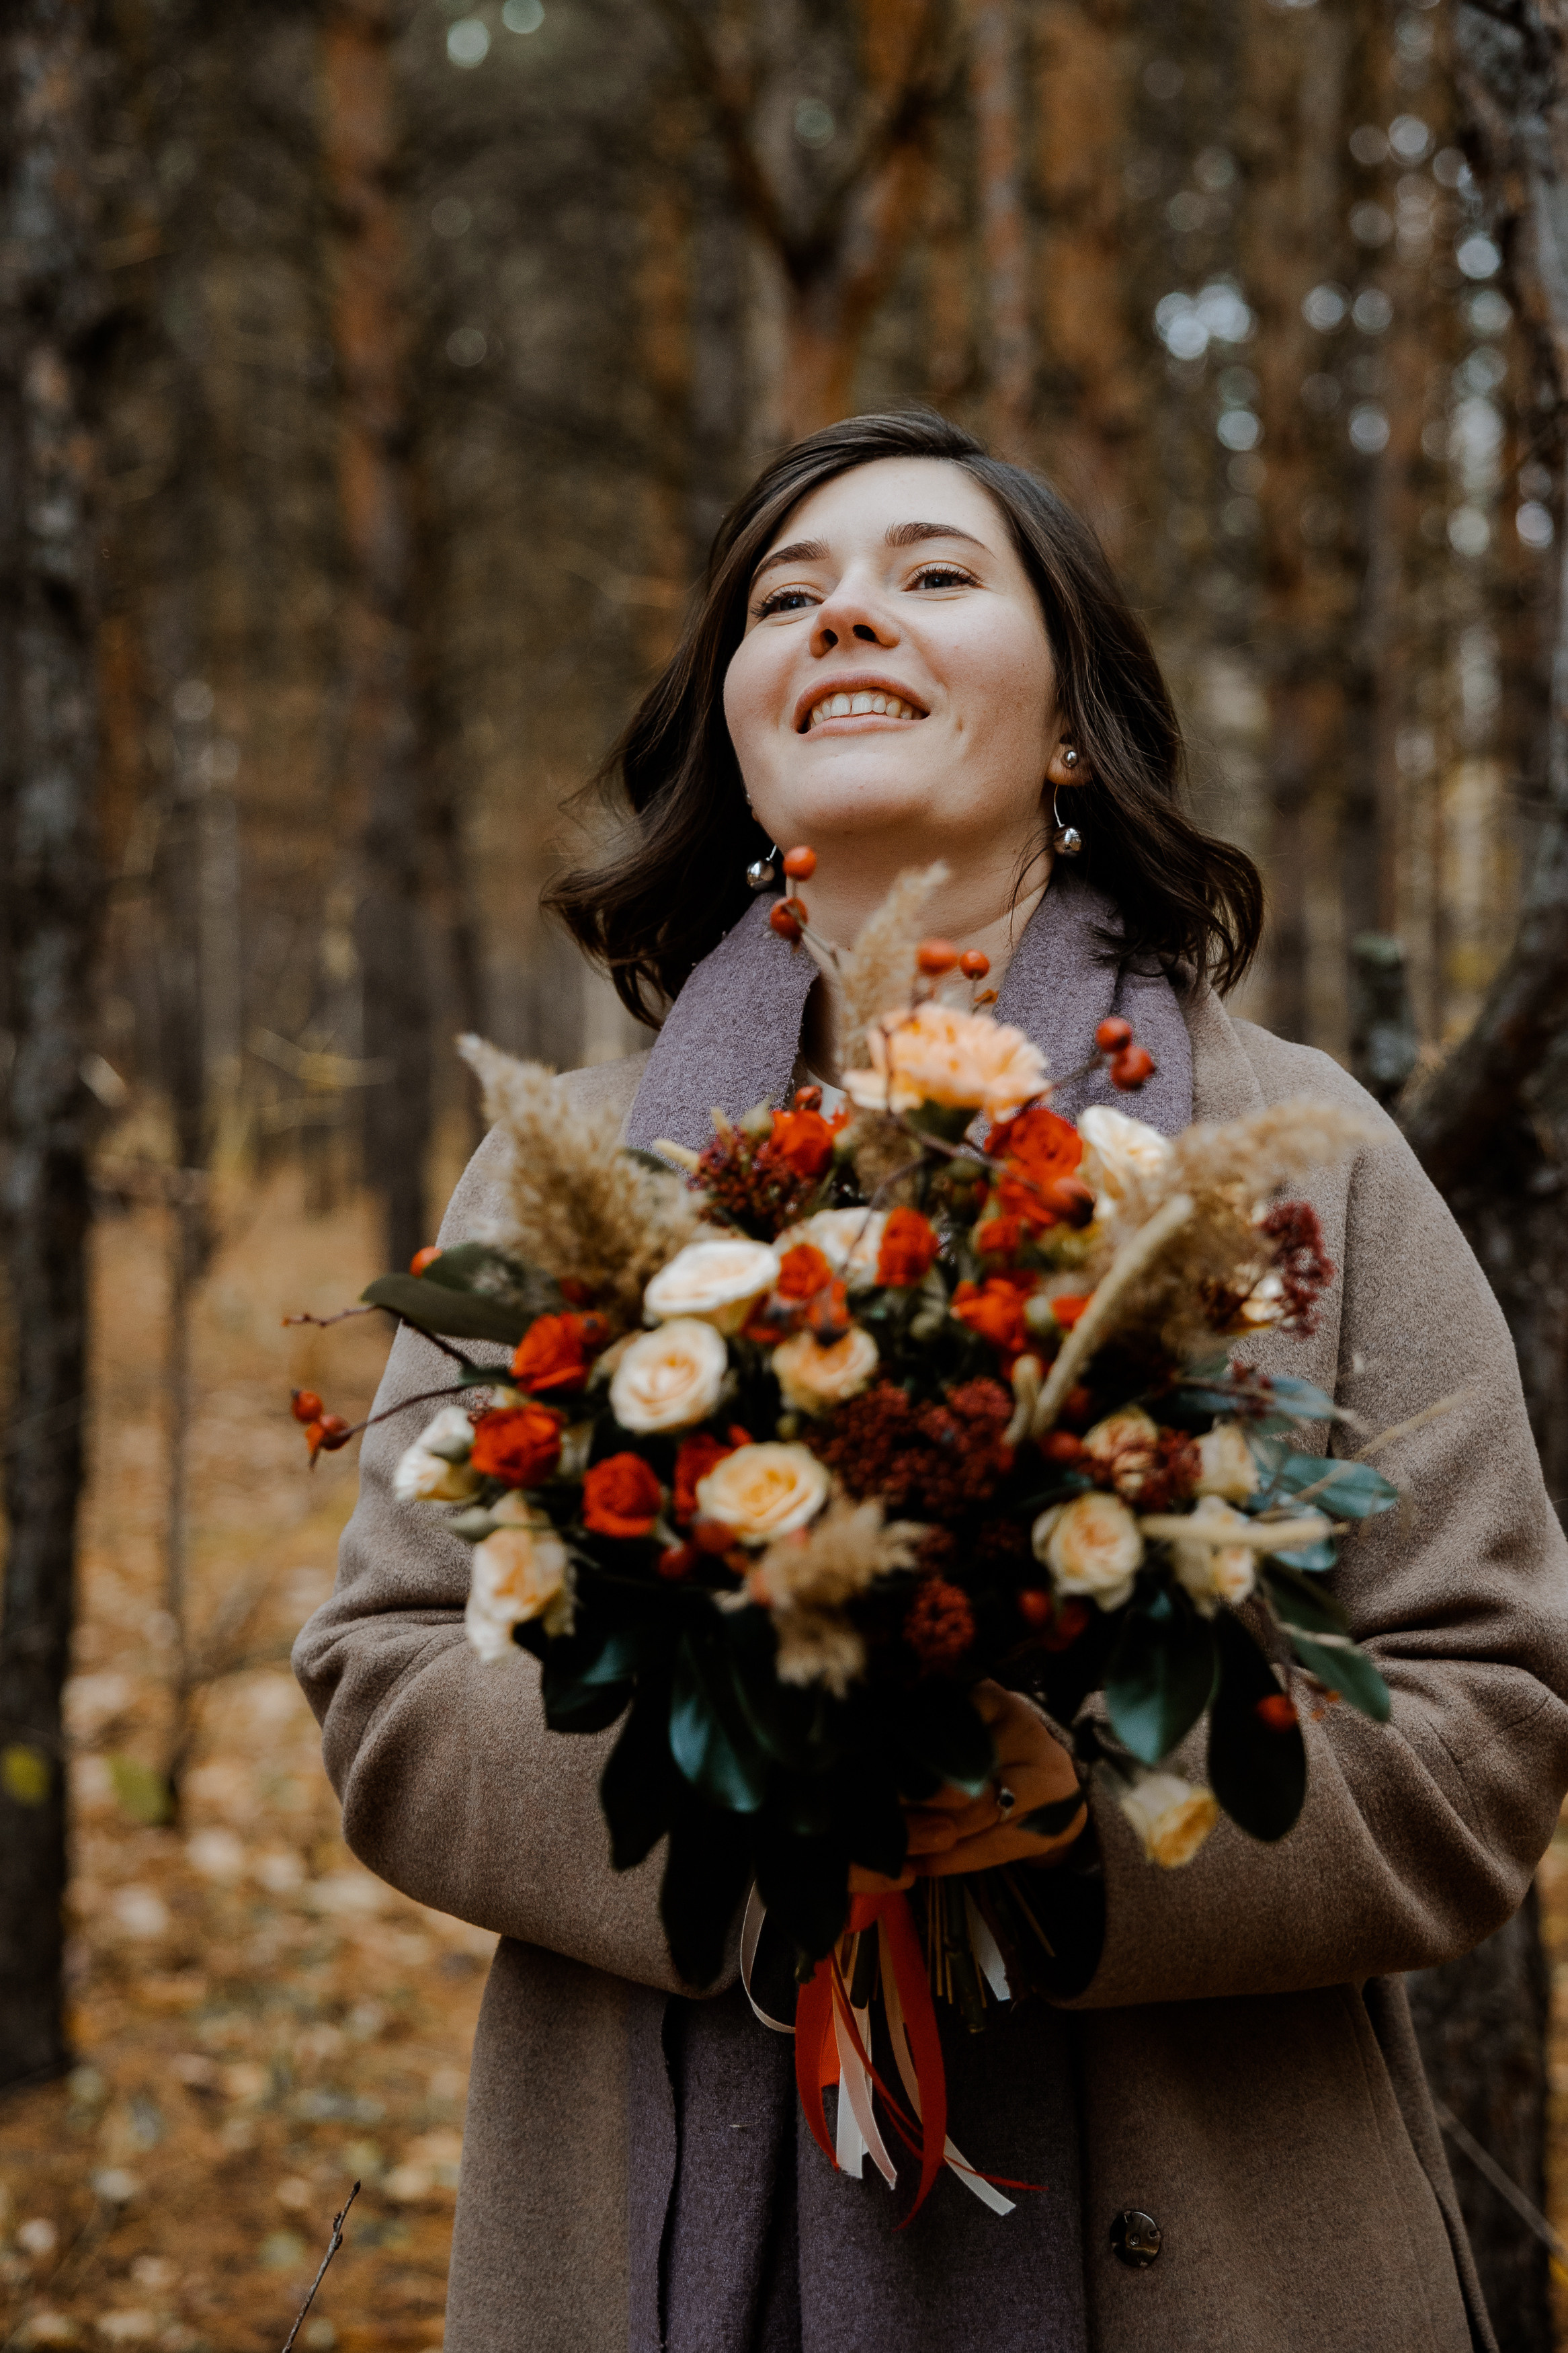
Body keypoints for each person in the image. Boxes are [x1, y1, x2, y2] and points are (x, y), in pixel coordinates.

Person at [294, 410, 1568, 2353]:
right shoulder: (560, 1167)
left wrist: (1090, 1829)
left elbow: (1489, 1711)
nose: (847, 616)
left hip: (1215, 2243)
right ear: (735, 729)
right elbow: (384, 1672)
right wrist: (743, 1807)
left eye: (934, 575)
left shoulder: (1296, 1151)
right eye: (784, 598)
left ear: (1073, 728)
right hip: (652, 2212)